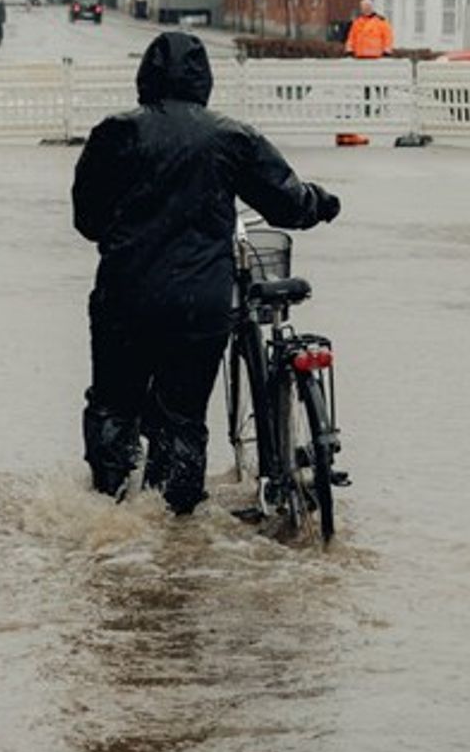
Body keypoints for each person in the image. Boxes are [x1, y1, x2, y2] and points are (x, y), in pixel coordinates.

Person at [71, 32, 341, 513]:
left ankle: (107, 509)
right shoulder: (232, 137)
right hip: (199, 305)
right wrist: (321, 203)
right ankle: (173, 523)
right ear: (205, 80)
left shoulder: (115, 132)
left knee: (114, 404)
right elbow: (288, 202)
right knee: (182, 416)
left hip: (125, 296)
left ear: (146, 77)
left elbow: (87, 221)